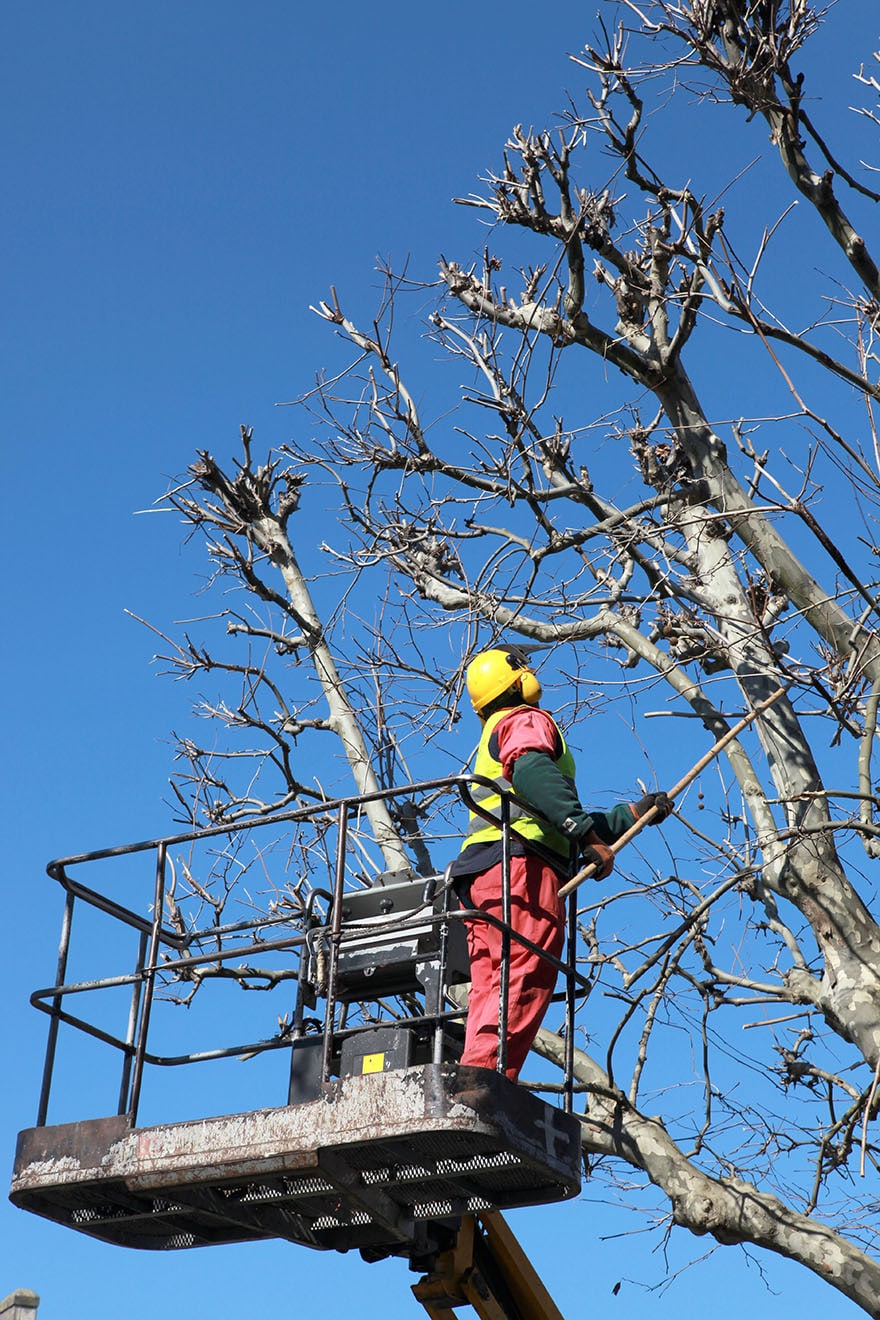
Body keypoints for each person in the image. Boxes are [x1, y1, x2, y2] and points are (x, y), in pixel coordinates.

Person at [451, 646, 671, 1081]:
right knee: (525, 976)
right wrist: (586, 836)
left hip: (481, 875)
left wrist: (633, 815)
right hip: (522, 872)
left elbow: (549, 812)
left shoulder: (493, 732)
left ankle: (471, 1076)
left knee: (491, 985)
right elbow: (535, 774)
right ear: (518, 682)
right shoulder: (526, 721)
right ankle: (483, 1083)